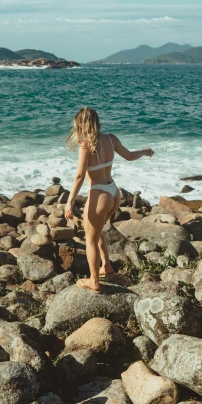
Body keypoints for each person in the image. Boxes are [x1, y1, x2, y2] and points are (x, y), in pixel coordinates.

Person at [64, 107, 154, 291]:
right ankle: (106, 265)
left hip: (99, 194)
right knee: (96, 231)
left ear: (82, 125)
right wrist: (145, 151)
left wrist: (69, 201)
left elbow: (80, 176)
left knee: (89, 239)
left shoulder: (86, 145)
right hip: (114, 193)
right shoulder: (111, 139)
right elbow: (129, 156)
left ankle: (94, 281)